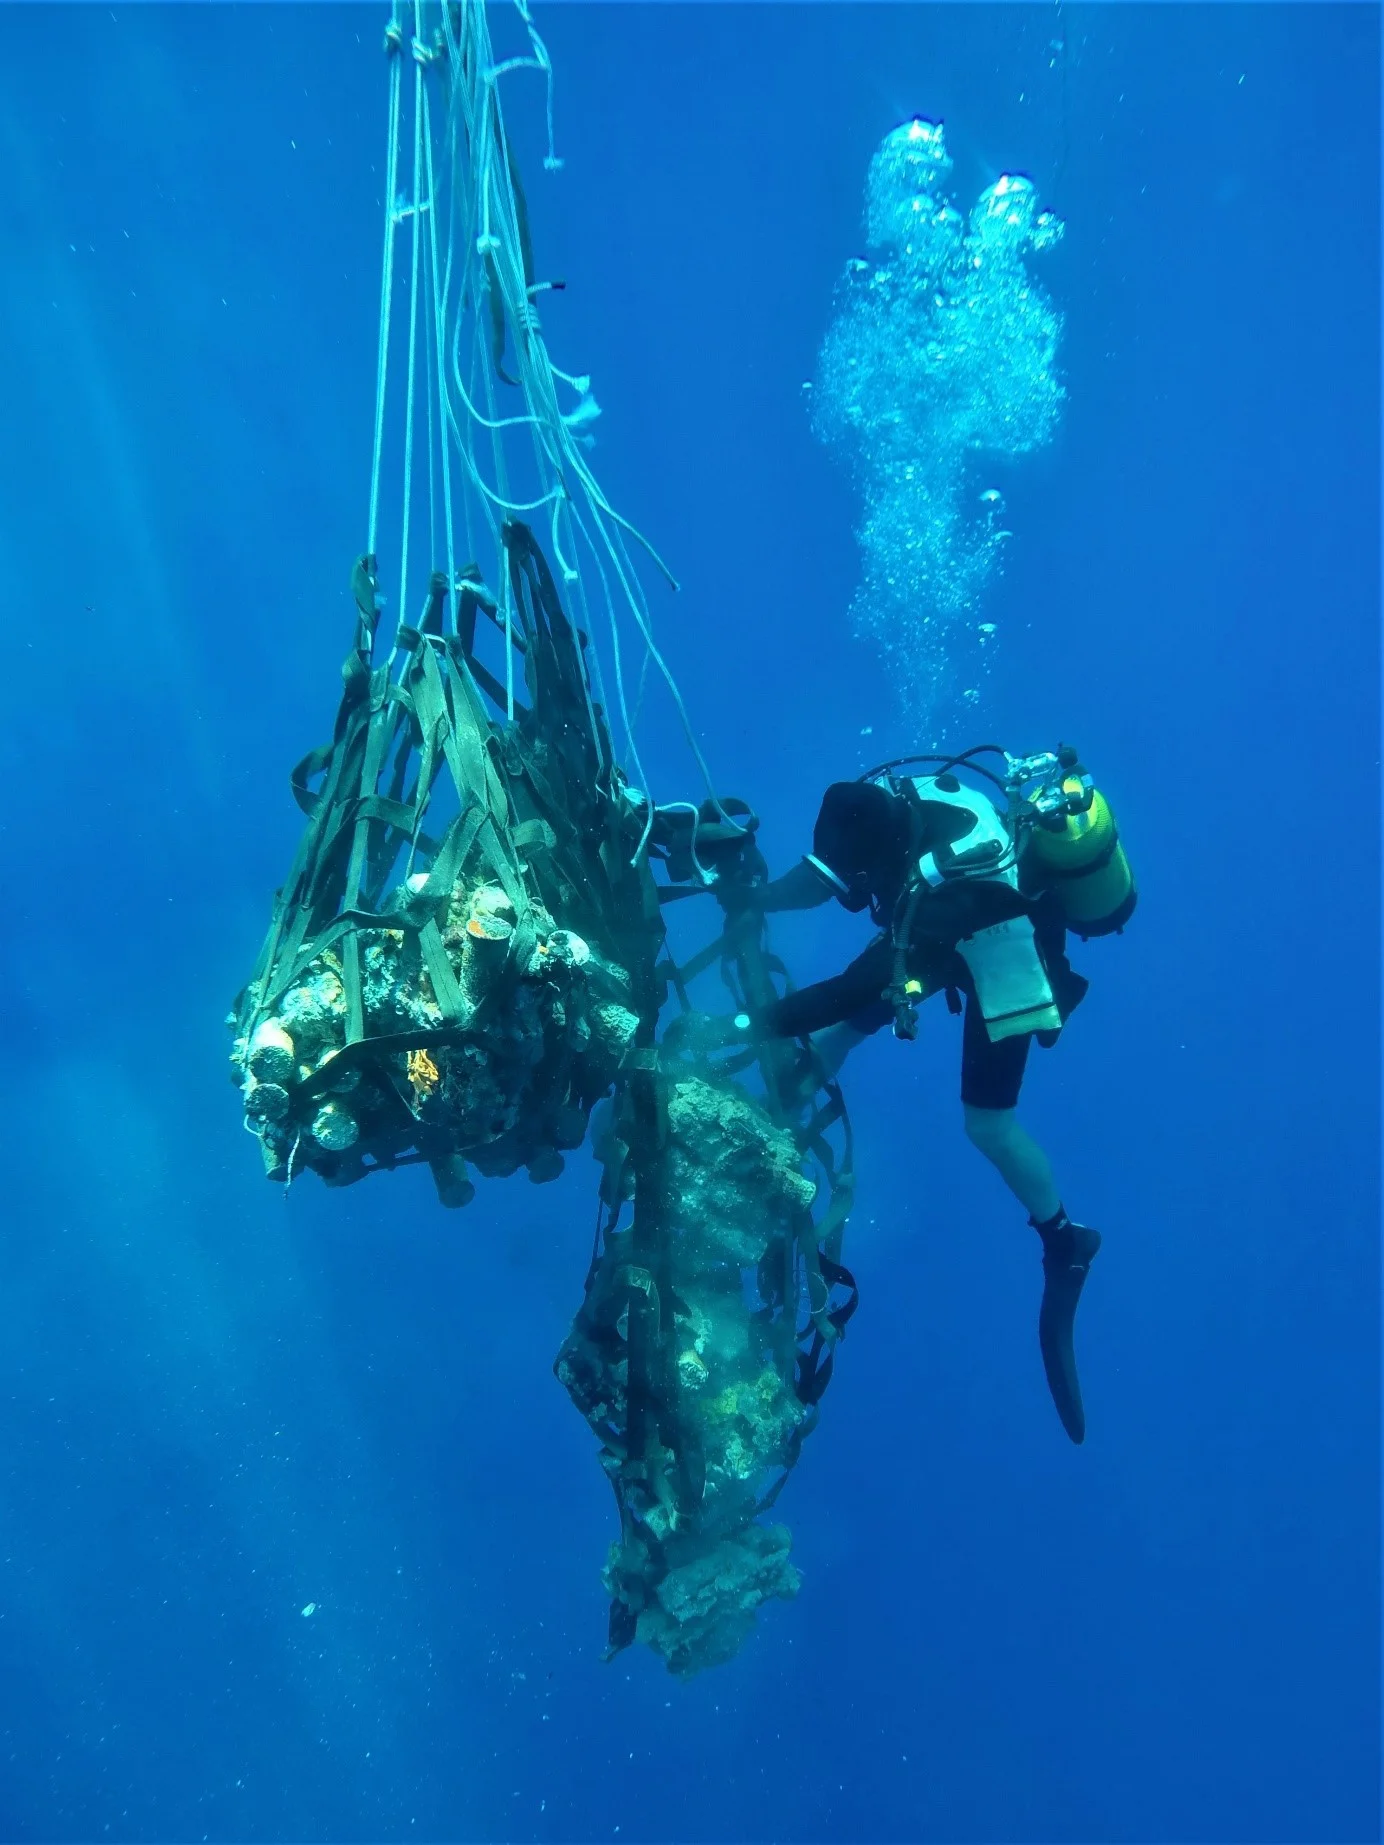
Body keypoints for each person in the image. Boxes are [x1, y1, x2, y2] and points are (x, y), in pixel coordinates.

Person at [716, 745, 1135, 1444]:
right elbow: (827, 879)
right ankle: (794, 1088)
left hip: (999, 937)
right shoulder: (885, 807)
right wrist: (756, 898)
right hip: (941, 927)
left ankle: (1067, 1241)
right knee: (856, 1020)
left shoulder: (941, 879)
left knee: (988, 1123)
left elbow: (855, 984)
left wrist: (739, 1025)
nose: (854, 890)